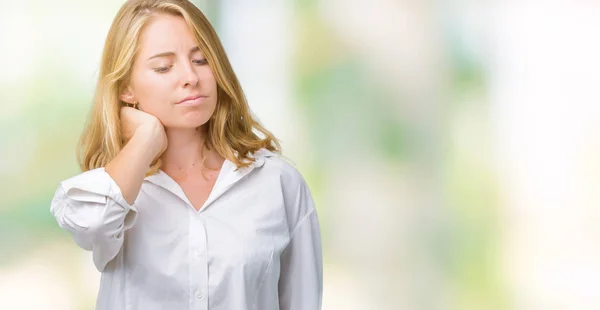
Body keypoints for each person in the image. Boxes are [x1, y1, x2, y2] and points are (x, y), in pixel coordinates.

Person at [49, 0, 323, 309]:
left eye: (202, 60)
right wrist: (146, 138)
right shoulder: (115, 194)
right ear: (127, 88)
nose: (190, 76)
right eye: (164, 67)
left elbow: (302, 301)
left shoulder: (278, 184)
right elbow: (91, 225)